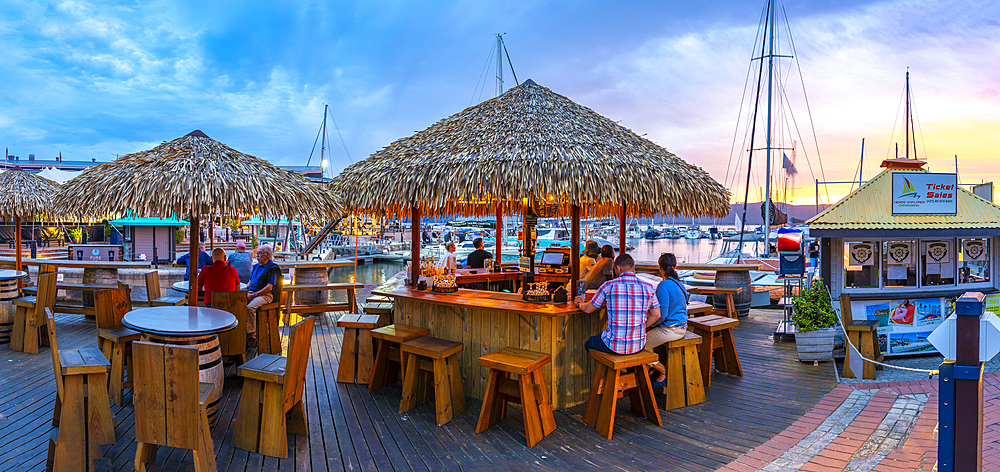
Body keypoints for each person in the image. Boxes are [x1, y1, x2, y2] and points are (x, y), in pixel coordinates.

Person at [574, 254, 661, 356]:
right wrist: (639, 328)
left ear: (618, 268)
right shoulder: (648, 287)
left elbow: (588, 309)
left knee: (589, 343)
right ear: (633, 267)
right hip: (638, 345)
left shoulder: (608, 286)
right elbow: (657, 315)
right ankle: (626, 369)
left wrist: (579, 302)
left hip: (614, 345)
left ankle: (606, 369)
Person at [645, 253, 689, 387]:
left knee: (637, 345)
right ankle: (653, 368)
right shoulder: (680, 284)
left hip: (670, 329)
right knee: (648, 340)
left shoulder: (663, 285)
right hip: (681, 327)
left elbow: (661, 315)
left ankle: (662, 370)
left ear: (660, 268)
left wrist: (646, 325)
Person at [245, 245, 280, 348]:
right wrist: (243, 290)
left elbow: (269, 287)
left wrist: (254, 295)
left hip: (265, 295)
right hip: (252, 292)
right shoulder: (256, 266)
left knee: (250, 308)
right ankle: (241, 334)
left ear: (268, 255)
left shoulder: (272, 268)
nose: (257, 255)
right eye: (257, 253)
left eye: (260, 253)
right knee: (235, 304)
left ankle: (252, 335)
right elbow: (250, 282)